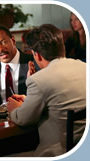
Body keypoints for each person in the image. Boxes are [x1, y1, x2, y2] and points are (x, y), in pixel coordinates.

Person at [7, 24, 86, 157]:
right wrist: (29, 101)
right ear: (62, 47)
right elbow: (59, 100)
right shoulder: (84, 67)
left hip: (57, 153)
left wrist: (15, 109)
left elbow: (23, 119)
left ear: (36, 55)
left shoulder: (40, 80)